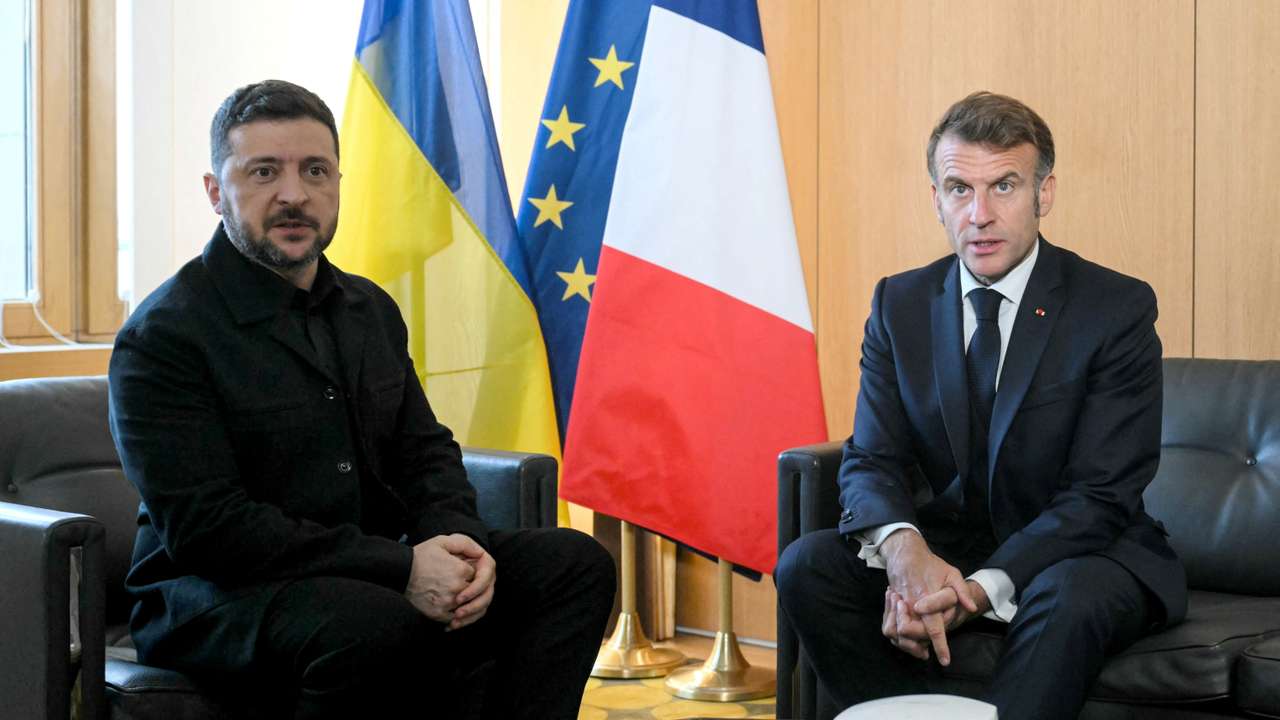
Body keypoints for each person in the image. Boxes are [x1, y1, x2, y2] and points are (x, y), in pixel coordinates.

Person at [108, 79, 615, 719]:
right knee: (372, 624)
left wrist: (455, 546)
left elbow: (425, 454)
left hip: (366, 567)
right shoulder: (164, 337)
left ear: (338, 185)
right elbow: (209, 531)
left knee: (574, 564)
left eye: (315, 171)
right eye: (264, 172)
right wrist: (400, 568)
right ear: (216, 193)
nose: (294, 194)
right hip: (212, 593)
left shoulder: (368, 308)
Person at [775, 91, 1186, 719]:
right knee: (807, 564)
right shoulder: (900, 304)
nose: (980, 215)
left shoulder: (1114, 308)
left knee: (1067, 595)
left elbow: (1101, 495)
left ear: (1043, 195)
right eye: (959, 189)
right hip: (947, 546)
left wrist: (975, 588)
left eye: (1004, 187)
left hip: (1085, 553)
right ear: (936, 199)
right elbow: (870, 459)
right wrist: (905, 554)